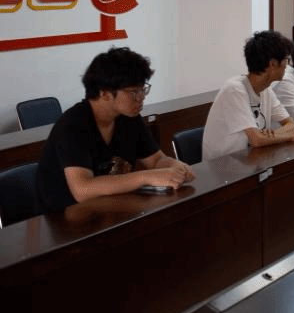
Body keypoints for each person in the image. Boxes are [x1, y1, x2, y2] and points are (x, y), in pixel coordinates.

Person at [35, 47, 195, 213]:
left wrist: (176, 166)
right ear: (105, 93)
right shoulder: (73, 125)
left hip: (108, 210)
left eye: (143, 89)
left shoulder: (129, 118)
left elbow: (156, 160)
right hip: (62, 219)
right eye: (134, 92)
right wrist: (146, 177)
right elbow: (82, 189)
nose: (141, 97)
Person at [202, 30, 294, 160]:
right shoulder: (234, 89)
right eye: (286, 59)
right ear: (273, 64)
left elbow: (292, 124)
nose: (287, 65)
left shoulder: (265, 90)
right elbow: (256, 140)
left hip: (250, 160)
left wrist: (270, 135)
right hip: (224, 166)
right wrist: (291, 135)